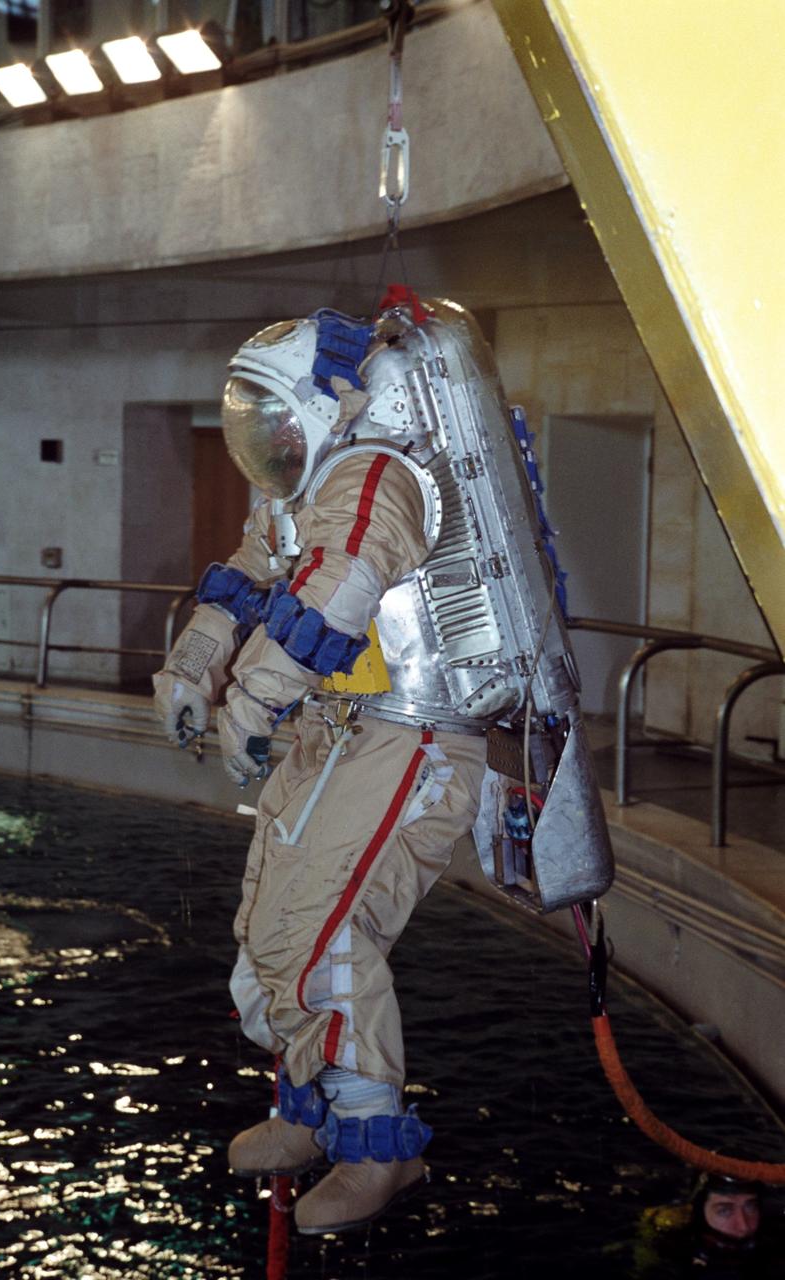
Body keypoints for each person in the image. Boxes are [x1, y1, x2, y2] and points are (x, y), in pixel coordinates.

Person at [153, 292, 612, 1235]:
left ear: (325, 404)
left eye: (276, 415)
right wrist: (194, 661)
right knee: (268, 922)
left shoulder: (377, 475)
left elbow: (332, 599)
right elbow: (252, 570)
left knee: (320, 933)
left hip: (412, 741)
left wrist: (250, 702)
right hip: (344, 730)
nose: (269, 438)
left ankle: (376, 1146)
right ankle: (307, 1110)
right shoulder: (315, 482)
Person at [629, 1174, 782, 1278]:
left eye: (750, 1207)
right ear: (700, 1211)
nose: (743, 1225)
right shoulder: (670, 1249)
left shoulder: (774, 1236)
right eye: (724, 1210)